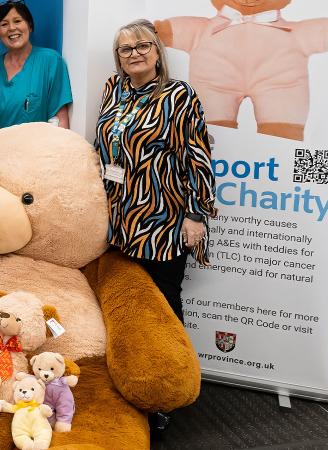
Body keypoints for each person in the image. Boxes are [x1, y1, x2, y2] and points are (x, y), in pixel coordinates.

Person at [94, 18, 218, 434]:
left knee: (163, 306)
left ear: (157, 50)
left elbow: (197, 157)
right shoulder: (114, 89)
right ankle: (131, 383)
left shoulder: (178, 95)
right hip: (118, 220)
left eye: (142, 45)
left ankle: (167, 392)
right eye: (125, 49)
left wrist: (197, 215)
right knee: (126, 305)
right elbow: (102, 148)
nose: (134, 54)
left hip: (163, 220)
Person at [0, 0, 72, 130]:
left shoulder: (50, 61)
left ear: (30, 26)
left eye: (17, 21)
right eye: (4, 24)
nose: (11, 28)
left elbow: (60, 119)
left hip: (34, 148)